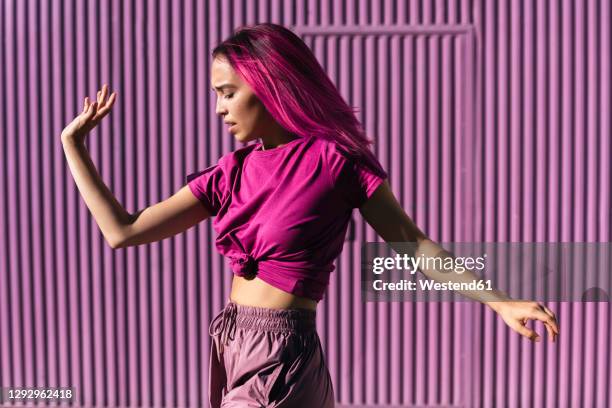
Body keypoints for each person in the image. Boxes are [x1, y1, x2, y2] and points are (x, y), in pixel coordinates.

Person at [61, 23, 559, 408]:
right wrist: (73, 145)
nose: (218, 108)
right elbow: (121, 231)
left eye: (227, 92)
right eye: (216, 94)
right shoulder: (228, 173)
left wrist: (499, 302)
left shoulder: (335, 161)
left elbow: (414, 243)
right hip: (231, 343)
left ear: (268, 84)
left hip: (282, 358)